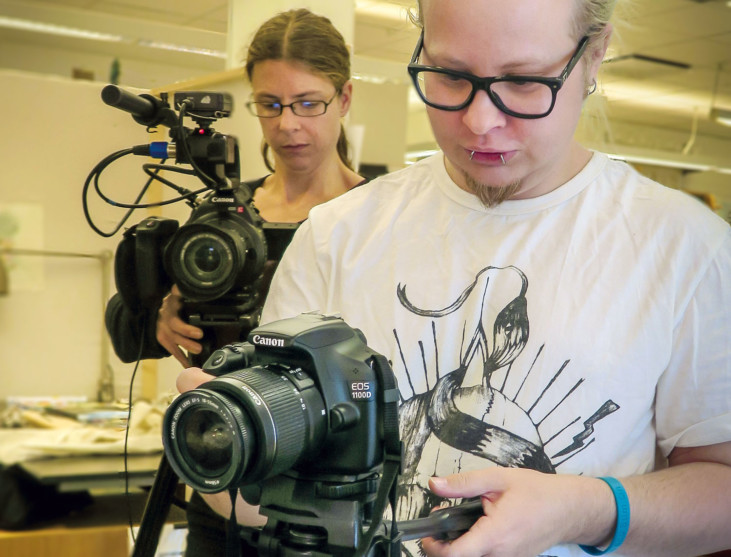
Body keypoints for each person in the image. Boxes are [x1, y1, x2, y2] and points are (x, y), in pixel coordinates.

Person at [178, 0, 731, 556]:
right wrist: (228, 450)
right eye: (448, 76)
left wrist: (583, 510)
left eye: (523, 81)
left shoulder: (686, 248)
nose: (480, 122)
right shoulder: (335, 236)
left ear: (594, 55)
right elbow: (261, 500)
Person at [105, 8, 365, 555]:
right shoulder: (224, 214)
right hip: (222, 469)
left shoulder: (379, 214)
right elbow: (127, 319)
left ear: (344, 98)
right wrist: (161, 321)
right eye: (269, 105)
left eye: (307, 104)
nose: (288, 124)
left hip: (331, 485)